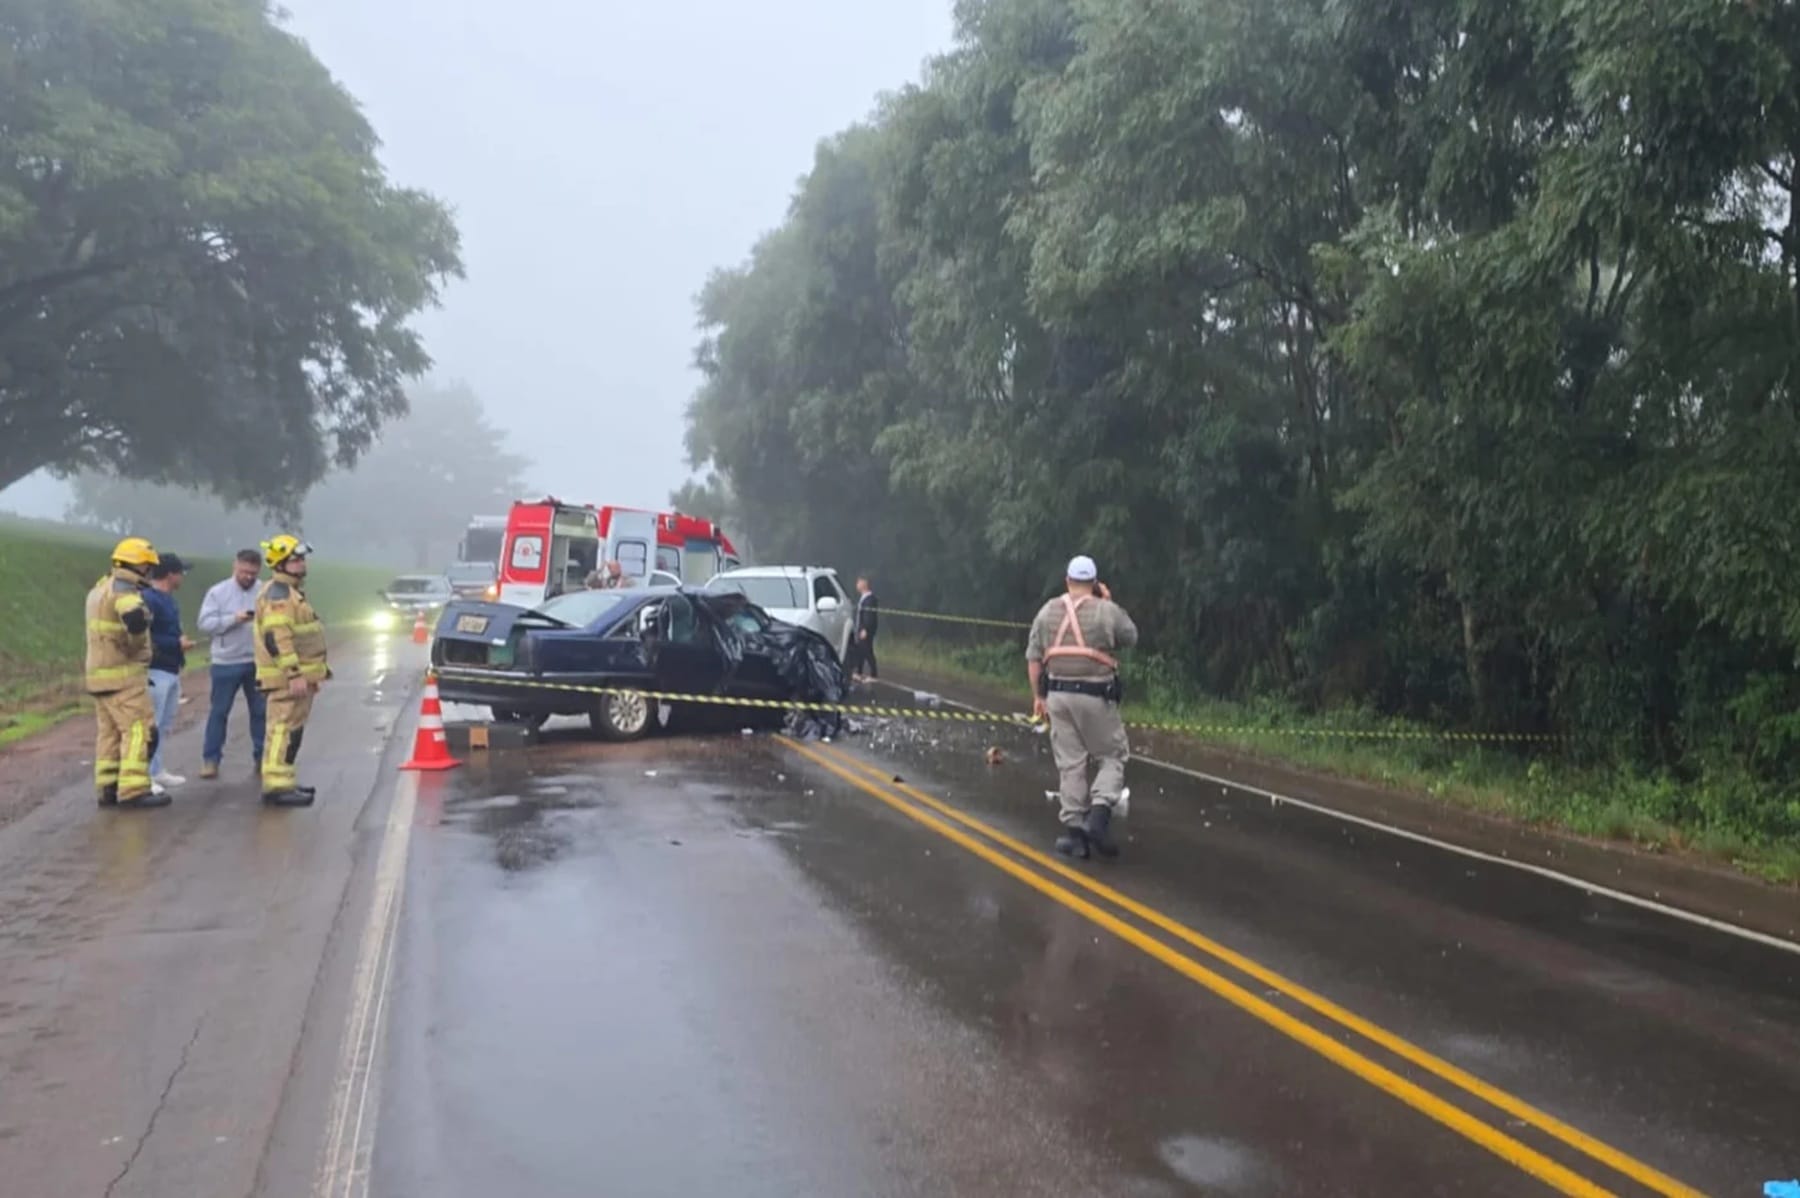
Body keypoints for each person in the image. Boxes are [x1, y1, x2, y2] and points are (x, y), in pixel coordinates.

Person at [1025, 555, 1138, 859]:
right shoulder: (1106, 610)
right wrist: (1109, 603)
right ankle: (1098, 817)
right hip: (1096, 695)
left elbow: (1034, 658)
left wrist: (1039, 696)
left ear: (1067, 581)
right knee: (1112, 755)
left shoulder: (1047, 611)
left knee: (1071, 763)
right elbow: (1131, 636)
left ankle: (1076, 836)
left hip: (1058, 697)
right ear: (1095, 583)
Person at [85, 538, 169, 809]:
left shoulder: (100, 588)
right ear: (137, 565)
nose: (149, 573)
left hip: (100, 676)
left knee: (109, 735)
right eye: (147, 567)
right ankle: (134, 789)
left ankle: (107, 788)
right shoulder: (125, 591)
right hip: (124, 677)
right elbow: (134, 620)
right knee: (139, 731)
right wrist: (137, 646)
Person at [254, 535, 329, 807]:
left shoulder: (290, 592)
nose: (301, 564)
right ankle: (276, 786)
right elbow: (278, 638)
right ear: (280, 564)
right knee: (282, 729)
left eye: (301, 559)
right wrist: (294, 673)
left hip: (297, 677)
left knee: (291, 730)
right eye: (295, 560)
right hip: (287, 679)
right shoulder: (280, 595)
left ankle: (284, 780)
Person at [197, 549, 267, 779]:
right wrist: (233, 619)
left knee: (260, 711)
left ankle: (262, 757)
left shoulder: (264, 591)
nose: (248, 577)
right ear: (235, 567)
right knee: (219, 712)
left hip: (257, 661)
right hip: (226, 661)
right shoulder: (218, 593)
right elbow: (205, 623)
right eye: (244, 572)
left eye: (253, 574)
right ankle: (211, 760)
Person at [143, 553, 195, 790]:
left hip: (171, 668)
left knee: (164, 723)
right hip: (155, 669)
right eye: (180, 572)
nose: (183, 577)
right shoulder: (149, 599)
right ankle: (143, 775)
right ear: (171, 574)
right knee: (150, 724)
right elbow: (146, 637)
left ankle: (156, 769)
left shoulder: (168, 600)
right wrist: (175, 643)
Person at [844, 574, 880, 681]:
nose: (857, 584)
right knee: (861, 651)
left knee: (867, 651)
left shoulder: (870, 599)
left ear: (865, 583)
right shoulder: (863, 598)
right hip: (860, 629)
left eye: (859, 582)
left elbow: (869, 616)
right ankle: (859, 672)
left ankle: (874, 674)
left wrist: (866, 629)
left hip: (866, 630)